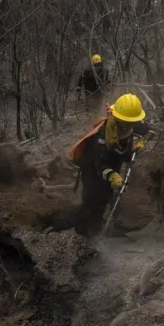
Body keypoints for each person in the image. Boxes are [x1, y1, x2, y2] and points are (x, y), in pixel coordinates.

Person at [63, 93, 151, 236]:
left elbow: (147, 130)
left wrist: (142, 142)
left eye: (132, 122)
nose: (130, 125)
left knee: (104, 199)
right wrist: (112, 176)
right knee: (91, 203)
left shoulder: (131, 124)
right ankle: (71, 226)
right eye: (126, 122)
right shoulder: (102, 136)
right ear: (118, 118)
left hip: (113, 164)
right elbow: (100, 165)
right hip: (93, 168)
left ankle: (97, 229)